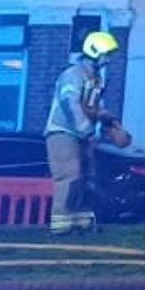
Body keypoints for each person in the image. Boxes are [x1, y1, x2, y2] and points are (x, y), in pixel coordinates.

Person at [42, 31, 125, 235]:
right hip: (62, 132)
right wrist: (84, 128)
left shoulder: (95, 78)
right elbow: (70, 103)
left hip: (81, 134)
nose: (108, 59)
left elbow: (91, 107)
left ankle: (82, 221)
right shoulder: (73, 75)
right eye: (105, 54)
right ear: (94, 52)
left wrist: (107, 121)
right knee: (69, 177)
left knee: (85, 176)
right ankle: (61, 224)